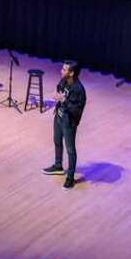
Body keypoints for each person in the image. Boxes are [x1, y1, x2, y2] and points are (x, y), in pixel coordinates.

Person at [42, 60, 86, 189]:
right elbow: (60, 89)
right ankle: (58, 166)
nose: (61, 71)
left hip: (69, 123)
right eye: (62, 68)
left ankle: (70, 178)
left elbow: (76, 109)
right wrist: (58, 96)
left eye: (64, 69)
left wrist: (63, 100)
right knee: (57, 141)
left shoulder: (79, 89)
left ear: (71, 73)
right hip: (59, 117)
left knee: (70, 150)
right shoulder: (64, 81)